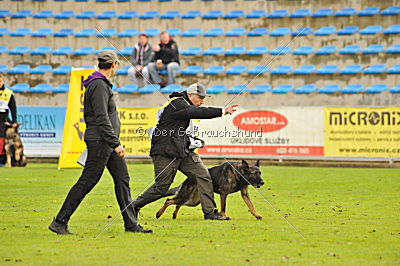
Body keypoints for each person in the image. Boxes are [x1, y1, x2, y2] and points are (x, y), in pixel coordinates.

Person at [49, 50, 152, 235]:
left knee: (122, 179)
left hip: (106, 140)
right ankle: (59, 221)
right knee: (88, 180)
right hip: (101, 141)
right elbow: (102, 118)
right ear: (113, 65)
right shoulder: (98, 85)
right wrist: (116, 143)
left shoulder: (99, 84)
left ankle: (131, 224)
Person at [132, 83, 238, 220]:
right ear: (190, 95)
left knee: (203, 175)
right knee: (161, 187)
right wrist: (222, 111)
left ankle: (210, 212)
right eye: (200, 98)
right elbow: (197, 112)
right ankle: (133, 206)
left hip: (182, 150)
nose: (202, 102)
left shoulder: (183, 105)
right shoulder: (178, 104)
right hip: (166, 152)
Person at [0, 72, 18, 166]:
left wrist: (14, 121)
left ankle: (1, 161)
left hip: (3, 119)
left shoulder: (8, 93)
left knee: (2, 140)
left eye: (0, 81)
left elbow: (13, 108)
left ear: (3, 81)